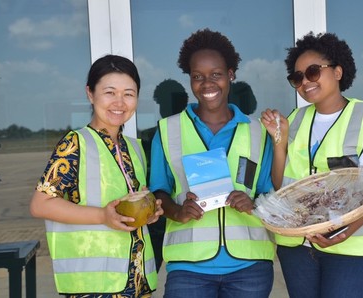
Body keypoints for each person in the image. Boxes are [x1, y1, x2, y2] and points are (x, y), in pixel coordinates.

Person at [260, 32, 363, 298]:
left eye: (313, 72)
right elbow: (281, 186)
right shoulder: (296, 119)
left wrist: (343, 234)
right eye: (297, 77)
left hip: (351, 246)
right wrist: (279, 142)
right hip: (298, 245)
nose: (305, 82)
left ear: (337, 72)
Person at [149, 28, 275, 298]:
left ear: (231, 74)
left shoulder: (258, 132)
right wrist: (178, 211)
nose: (207, 84)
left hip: (249, 266)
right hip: (189, 267)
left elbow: (270, 191)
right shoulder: (167, 130)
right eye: (198, 77)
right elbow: (159, 191)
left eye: (216, 74)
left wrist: (253, 205)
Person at [29, 54, 163, 297]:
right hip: (94, 287)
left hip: (136, 282)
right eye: (110, 92)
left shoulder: (134, 148)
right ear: (90, 94)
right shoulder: (75, 143)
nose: (119, 102)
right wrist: (102, 215)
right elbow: (40, 205)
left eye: (129, 94)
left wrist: (149, 213)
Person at [142, 78, 189, 272]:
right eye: (162, 101)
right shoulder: (149, 136)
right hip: (151, 221)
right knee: (146, 277)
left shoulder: (197, 133)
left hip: (184, 222)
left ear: (185, 101)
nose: (168, 106)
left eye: (174, 100)